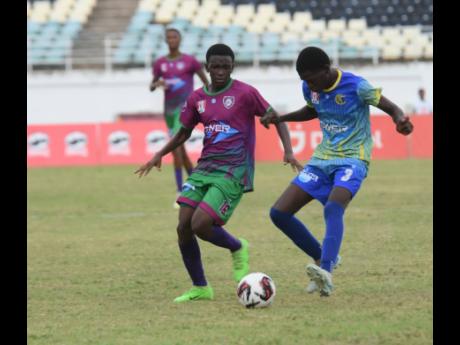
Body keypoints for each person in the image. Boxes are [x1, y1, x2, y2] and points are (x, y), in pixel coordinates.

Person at [136, 44, 302, 303]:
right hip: (205, 168)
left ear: (232, 67)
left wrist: (288, 151)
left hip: (234, 169)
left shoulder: (246, 93)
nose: (221, 71)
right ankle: (200, 287)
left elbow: (275, 118)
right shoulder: (197, 98)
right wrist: (159, 154)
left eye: (226, 66)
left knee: (200, 224)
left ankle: (237, 246)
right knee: (183, 227)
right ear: (208, 67)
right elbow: (183, 132)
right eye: (216, 66)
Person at [260, 47, 414, 297]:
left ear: (326, 69)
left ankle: (326, 271)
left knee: (333, 207)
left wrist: (400, 120)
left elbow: (391, 108)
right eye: (304, 81)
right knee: (279, 213)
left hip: (353, 159)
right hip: (322, 159)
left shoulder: (357, 86)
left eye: (311, 79)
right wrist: (281, 118)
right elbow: (312, 110)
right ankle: (322, 258)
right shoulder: (311, 87)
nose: (309, 85)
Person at [150, 28, 209, 208]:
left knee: (175, 149)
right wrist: (157, 83)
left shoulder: (190, 61)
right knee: (181, 152)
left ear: (180, 39)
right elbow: (151, 86)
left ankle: (180, 192)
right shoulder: (160, 63)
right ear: (166, 40)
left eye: (174, 37)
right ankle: (197, 187)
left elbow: (207, 83)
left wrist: (205, 102)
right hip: (168, 112)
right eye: (168, 37)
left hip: (184, 110)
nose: (171, 40)